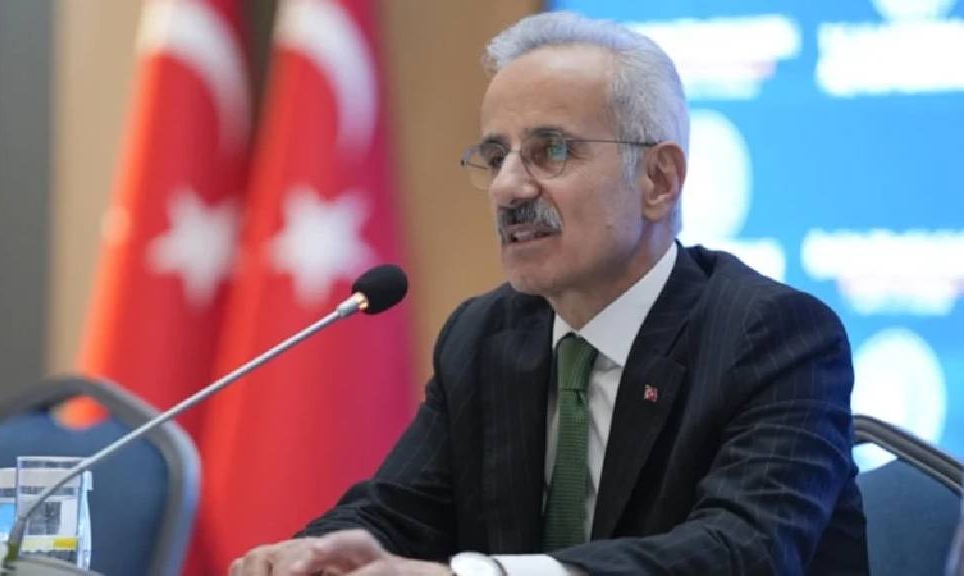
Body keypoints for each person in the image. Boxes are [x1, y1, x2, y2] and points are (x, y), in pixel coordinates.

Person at [231, 11, 868, 575]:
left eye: (551, 151)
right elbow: (397, 510)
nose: (508, 188)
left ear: (658, 179)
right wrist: (311, 556)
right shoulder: (485, 337)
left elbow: (741, 552)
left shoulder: (772, 335)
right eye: (496, 156)